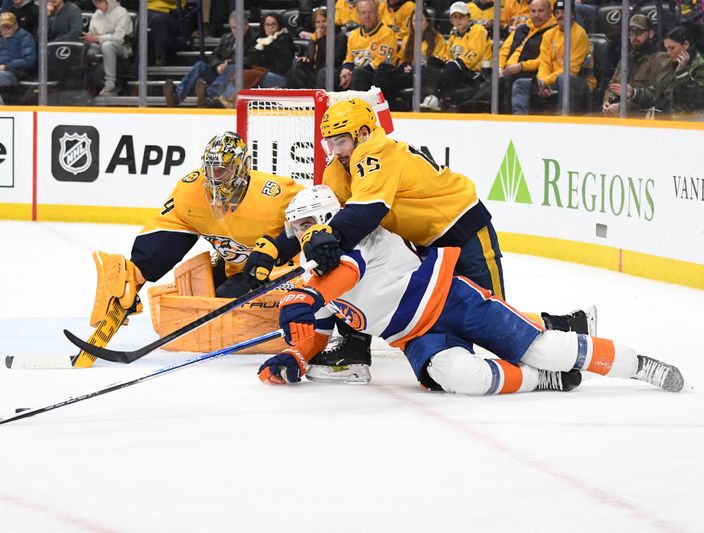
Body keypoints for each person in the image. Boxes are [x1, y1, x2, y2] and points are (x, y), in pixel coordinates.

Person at [244, 97, 594, 383]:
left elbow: (366, 212)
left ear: (364, 133)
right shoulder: (339, 166)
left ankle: (567, 328)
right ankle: (353, 347)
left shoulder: (377, 154)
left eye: (341, 140)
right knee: (368, 275)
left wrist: (329, 236)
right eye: (330, 142)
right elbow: (322, 217)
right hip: (424, 243)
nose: (335, 150)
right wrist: (276, 248)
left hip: (461, 227)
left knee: (494, 315)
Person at [257, 185, 684, 399]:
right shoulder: (317, 267)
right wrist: (295, 354)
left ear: (329, 217)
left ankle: (637, 365)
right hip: (417, 336)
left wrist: (303, 299)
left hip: (452, 301)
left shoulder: (356, 244)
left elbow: (338, 283)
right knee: (464, 379)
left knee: (545, 347)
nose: (300, 236)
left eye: (305, 224)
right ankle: (544, 382)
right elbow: (319, 319)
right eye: (295, 229)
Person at [88, 131, 307, 354]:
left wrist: (278, 250)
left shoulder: (276, 194)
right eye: (210, 169)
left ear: (241, 166)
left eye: (221, 169)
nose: (214, 177)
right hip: (238, 270)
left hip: (284, 271)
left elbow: (315, 218)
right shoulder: (191, 190)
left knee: (227, 294)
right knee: (186, 291)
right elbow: (171, 229)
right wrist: (138, 270)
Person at [461, 0, 556, 113]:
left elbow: (544, 60)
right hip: (508, 69)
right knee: (494, 78)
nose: (536, 15)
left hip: (529, 70)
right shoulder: (521, 29)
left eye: (540, 11)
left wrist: (521, 66)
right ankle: (473, 107)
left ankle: (471, 108)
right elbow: (504, 50)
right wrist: (500, 67)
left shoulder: (552, 32)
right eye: (533, 11)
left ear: (550, 13)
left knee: (505, 82)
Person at [511, 0, 595, 116]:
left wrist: (545, 82)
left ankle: (562, 119)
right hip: (553, 81)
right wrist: (541, 82)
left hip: (579, 82)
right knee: (520, 84)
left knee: (563, 78)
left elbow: (572, 70)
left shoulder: (579, 35)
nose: (560, 15)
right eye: (557, 12)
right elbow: (544, 63)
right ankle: (520, 120)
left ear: (572, 14)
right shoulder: (549, 34)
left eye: (564, 12)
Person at [163, 10, 258, 108]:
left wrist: (228, 63)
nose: (236, 31)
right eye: (233, 28)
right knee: (200, 65)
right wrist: (218, 65)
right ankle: (177, 97)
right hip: (220, 75)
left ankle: (208, 96)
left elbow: (251, 59)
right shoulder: (227, 38)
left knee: (232, 67)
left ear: (246, 25)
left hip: (236, 79)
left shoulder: (255, 38)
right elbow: (213, 55)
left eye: (239, 27)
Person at [419, 2, 492, 112]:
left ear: (468, 16)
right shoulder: (454, 33)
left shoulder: (478, 30)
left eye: (461, 17)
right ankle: (433, 97)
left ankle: (434, 97)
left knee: (451, 67)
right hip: (456, 71)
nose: (458, 20)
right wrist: (446, 62)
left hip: (474, 74)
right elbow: (447, 54)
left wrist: (452, 64)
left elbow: (473, 55)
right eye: (455, 17)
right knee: (432, 62)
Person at [374, 9, 447, 110]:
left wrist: (418, 68)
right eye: (414, 20)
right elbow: (401, 61)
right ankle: (383, 104)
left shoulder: (437, 39)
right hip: (409, 75)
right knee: (383, 69)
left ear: (427, 22)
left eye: (421, 20)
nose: (417, 24)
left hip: (424, 77)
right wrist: (405, 66)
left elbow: (437, 63)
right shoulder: (407, 39)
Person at [629, 25, 704, 119]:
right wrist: (634, 92)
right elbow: (655, 93)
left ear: (686, 45)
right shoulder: (667, 64)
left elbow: (697, 101)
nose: (668, 53)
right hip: (667, 122)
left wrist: (682, 75)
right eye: (666, 48)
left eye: (672, 48)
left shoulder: (700, 66)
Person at [602, 14, 668, 117]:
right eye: (631, 33)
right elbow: (613, 85)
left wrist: (622, 106)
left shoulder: (659, 58)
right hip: (620, 111)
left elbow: (656, 96)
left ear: (650, 33)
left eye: (639, 33)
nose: (634, 37)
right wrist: (608, 101)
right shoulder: (626, 57)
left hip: (645, 115)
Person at [336, 0, 398, 91]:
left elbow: (381, 62)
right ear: (358, 14)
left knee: (359, 74)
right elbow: (349, 59)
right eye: (363, 12)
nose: (367, 16)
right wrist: (346, 71)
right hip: (356, 72)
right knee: (328, 73)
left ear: (377, 12)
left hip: (377, 76)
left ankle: (357, 104)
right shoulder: (353, 34)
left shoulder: (387, 33)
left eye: (370, 12)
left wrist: (352, 73)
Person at [285, 6, 348, 90]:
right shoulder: (314, 38)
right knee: (297, 66)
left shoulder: (340, 37)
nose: (321, 25)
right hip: (315, 71)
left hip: (332, 71)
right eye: (318, 22)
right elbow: (310, 57)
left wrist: (321, 40)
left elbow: (333, 61)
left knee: (323, 72)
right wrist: (305, 58)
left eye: (324, 21)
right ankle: (293, 96)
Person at [83, 0, 133, 97]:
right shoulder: (96, 14)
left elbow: (119, 38)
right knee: (85, 48)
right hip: (98, 45)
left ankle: (110, 83)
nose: (98, 5)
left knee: (107, 45)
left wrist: (97, 38)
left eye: (100, 2)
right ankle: (84, 84)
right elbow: (92, 33)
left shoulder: (121, 12)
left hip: (122, 47)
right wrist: (87, 37)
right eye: (96, 3)